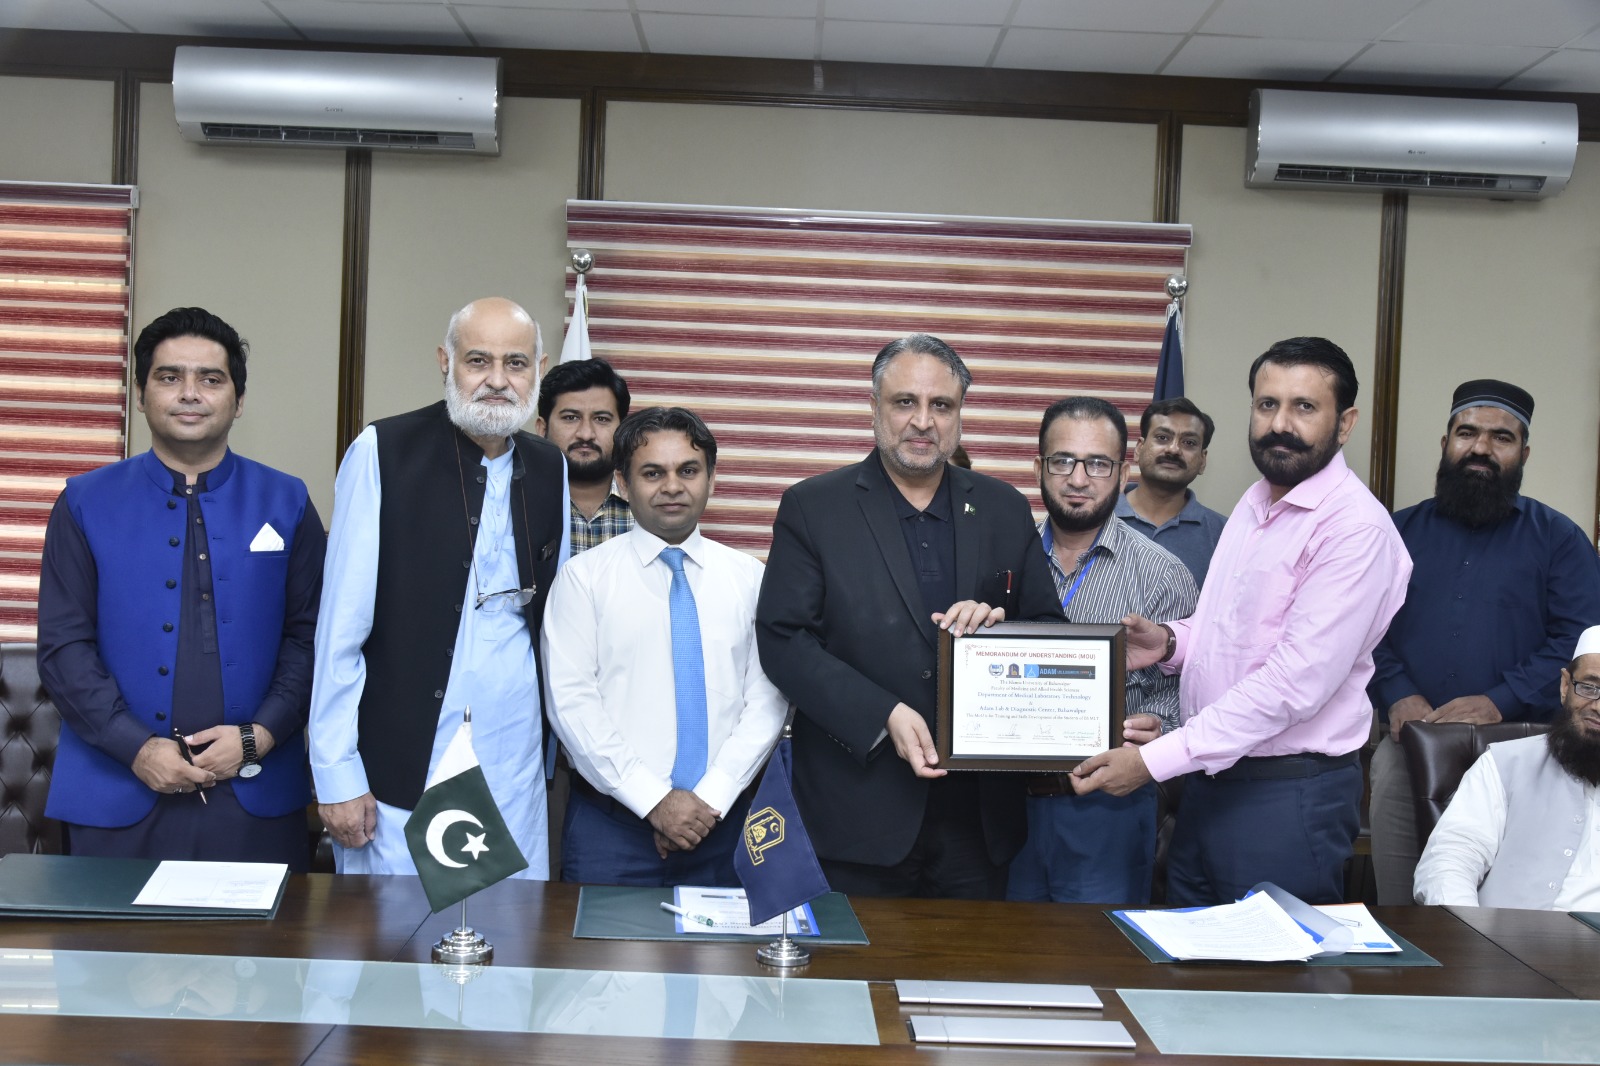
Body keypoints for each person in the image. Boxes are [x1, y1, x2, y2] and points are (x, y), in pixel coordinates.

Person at [1071, 337, 1411, 906]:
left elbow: (1293, 683)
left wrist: (1154, 761)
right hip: (1212, 781)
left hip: (1286, 795)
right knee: (1189, 951)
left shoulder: (1354, 530)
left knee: (1271, 959)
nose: (1280, 424)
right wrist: (1170, 642)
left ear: (1345, 423)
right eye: (1267, 404)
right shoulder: (1256, 503)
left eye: (1304, 407)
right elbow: (1230, 627)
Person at [755, 333, 1062, 900]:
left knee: (972, 961)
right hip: (856, 813)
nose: (923, 421)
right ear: (874, 408)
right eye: (905, 402)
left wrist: (1002, 632)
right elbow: (783, 639)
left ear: (960, 414)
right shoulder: (813, 507)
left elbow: (1050, 632)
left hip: (978, 821)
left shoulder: (1004, 507)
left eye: (941, 405)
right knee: (856, 961)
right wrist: (882, 714)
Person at [36, 307, 324, 869]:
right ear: (141, 395)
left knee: (266, 932)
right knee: (107, 932)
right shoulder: (84, 502)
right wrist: (136, 747)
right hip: (114, 790)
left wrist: (259, 736)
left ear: (239, 400)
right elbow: (64, 647)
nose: (190, 393)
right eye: (169, 377)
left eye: (211, 379)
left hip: (255, 792)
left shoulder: (286, 501)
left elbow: (311, 637)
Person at [309, 297, 568, 878]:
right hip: (407, 757)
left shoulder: (551, 467)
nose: (497, 381)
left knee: (510, 925)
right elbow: (340, 631)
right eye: (478, 361)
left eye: (516, 363)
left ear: (539, 369)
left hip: (514, 753)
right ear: (445, 362)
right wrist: (337, 773)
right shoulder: (383, 451)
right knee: (401, 929)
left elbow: (555, 623)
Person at [1369, 379, 1600, 905]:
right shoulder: (1393, 533)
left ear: (1524, 454)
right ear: (1446, 442)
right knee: (1402, 906)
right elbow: (1361, 629)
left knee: (1520, 900)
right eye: (1467, 433)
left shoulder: (1559, 539)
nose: (1481, 448)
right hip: (1410, 743)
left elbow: (1577, 641)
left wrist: (1499, 700)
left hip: (1525, 752)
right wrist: (1398, 693)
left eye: (1502, 437)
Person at [543, 407, 785, 886]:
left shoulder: (752, 580)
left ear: (711, 479)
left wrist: (708, 801)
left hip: (724, 826)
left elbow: (767, 702)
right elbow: (571, 704)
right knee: (596, 940)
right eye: (653, 473)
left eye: (688, 471)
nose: (672, 487)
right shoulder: (583, 579)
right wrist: (654, 802)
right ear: (623, 483)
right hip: (611, 829)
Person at [1008, 397, 1197, 904]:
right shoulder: (1001, 560)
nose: (1078, 479)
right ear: (1038, 468)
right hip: (1003, 806)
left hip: (1109, 808)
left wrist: (1162, 730)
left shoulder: (1163, 575)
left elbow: (1192, 697)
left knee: (1097, 947)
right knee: (1002, 945)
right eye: (1062, 461)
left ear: (1123, 472)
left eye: (1097, 463)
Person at [1415, 626, 1600, 910]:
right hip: (1505, 936)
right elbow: (1449, 860)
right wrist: (1468, 928)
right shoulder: (1505, 764)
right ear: (1565, 686)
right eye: (1589, 687)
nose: (1598, 706)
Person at [1116, 398, 1227, 588]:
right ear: (1139, 449)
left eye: (1189, 442)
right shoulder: (1096, 517)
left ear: (1202, 460)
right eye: (1162, 438)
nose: (1174, 449)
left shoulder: (1225, 535)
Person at [535, 357, 633, 555]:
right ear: (542, 429)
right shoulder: (516, 502)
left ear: (623, 430)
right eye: (571, 418)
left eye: (601, 419)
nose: (586, 434)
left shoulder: (648, 505)